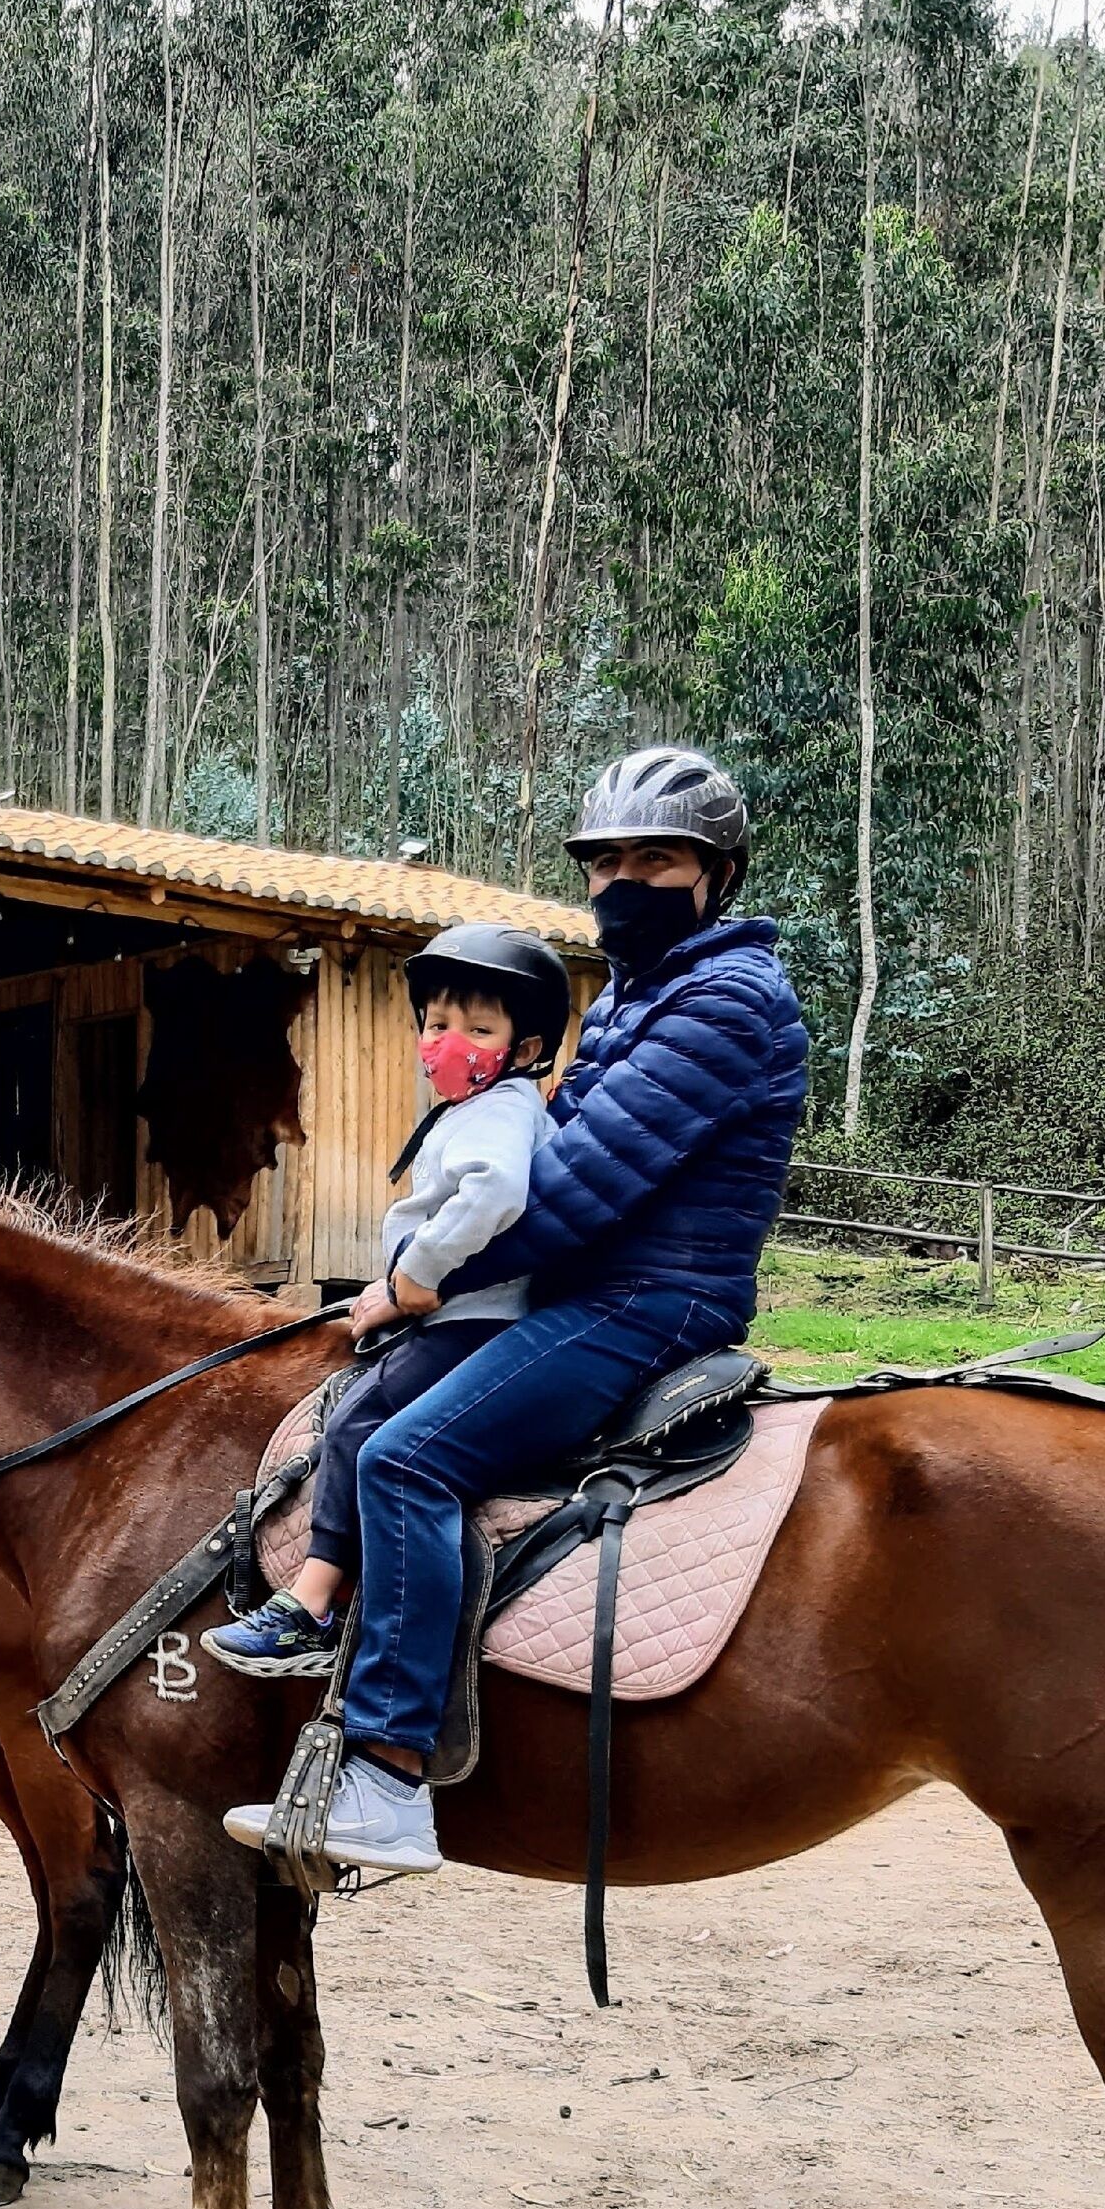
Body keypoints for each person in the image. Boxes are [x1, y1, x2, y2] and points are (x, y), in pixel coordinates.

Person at [226, 744, 808, 1882]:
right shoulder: (648, 990)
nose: (625, 881)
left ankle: (387, 1777)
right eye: (608, 861)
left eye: (659, 859)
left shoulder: (726, 1001)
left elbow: (580, 1189)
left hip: (646, 1303)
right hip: (587, 1290)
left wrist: (412, 1288)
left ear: (718, 874)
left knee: (406, 1461)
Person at [202, 922, 570, 1678]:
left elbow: (494, 1191)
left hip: (469, 1322)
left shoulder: (498, 1112)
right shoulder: (481, 1110)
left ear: (524, 1049)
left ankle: (311, 1602)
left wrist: (420, 1275)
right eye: (437, 1024)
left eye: (477, 1028)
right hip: (453, 1309)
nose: (448, 1040)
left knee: (358, 1427)